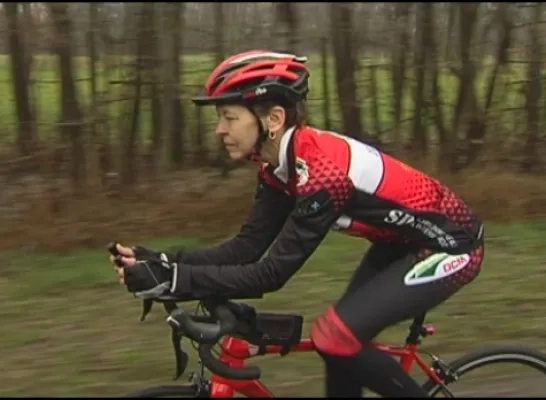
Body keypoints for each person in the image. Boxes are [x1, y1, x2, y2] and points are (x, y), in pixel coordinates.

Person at [109, 50, 485, 398]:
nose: (219, 130)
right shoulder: (277, 167)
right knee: (338, 345)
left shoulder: (322, 174)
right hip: (398, 242)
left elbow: (271, 274)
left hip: (453, 245)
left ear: (273, 120)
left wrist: (177, 280)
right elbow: (246, 248)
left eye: (229, 118)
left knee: (334, 337)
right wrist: (161, 261)